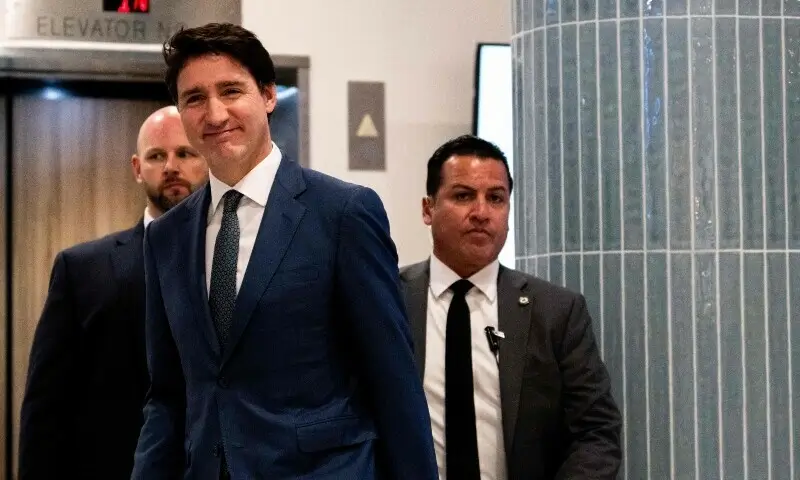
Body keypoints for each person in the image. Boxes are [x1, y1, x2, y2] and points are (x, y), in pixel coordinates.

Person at [131, 23, 437, 479]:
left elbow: (393, 381)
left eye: (231, 90)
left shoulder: (343, 213)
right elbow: (168, 395)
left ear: (269, 95)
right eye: (194, 98)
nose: (214, 114)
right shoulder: (165, 237)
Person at [400, 135, 622, 480]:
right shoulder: (388, 300)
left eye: (496, 199)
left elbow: (595, 431)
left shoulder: (556, 312)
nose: (481, 213)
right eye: (463, 196)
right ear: (429, 209)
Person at [18, 106, 208, 479]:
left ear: (207, 162)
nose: (172, 166)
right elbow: (46, 406)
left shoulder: (239, 263)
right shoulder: (82, 269)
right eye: (157, 155)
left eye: (185, 153)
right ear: (138, 168)